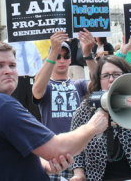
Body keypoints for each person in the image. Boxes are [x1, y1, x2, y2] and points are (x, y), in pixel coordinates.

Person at [0, 40, 109, 180]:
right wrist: (93, 126)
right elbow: (58, 148)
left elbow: (7, 152)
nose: (8, 71)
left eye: (12, 65)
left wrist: (44, 164)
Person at [33, 29, 97, 180]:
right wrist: (52, 54)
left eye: (66, 56)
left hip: (79, 153)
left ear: (70, 59)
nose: (61, 60)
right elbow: (37, 91)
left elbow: (98, 84)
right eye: (58, 56)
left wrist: (88, 54)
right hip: (54, 156)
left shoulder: (79, 84)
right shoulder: (46, 86)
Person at [9, 40, 43, 121]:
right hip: (17, 79)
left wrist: (38, 72)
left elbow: (38, 58)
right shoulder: (8, 43)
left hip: (31, 78)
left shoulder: (31, 44)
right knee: (17, 107)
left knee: (35, 107)